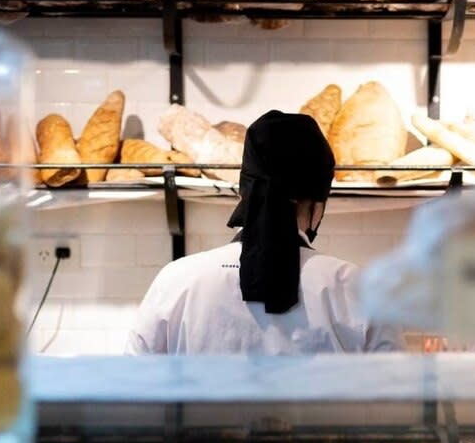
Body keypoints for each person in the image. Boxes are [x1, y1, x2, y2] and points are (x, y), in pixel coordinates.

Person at [126, 110, 400, 354]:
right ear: (318, 205)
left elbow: (129, 396)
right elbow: (398, 401)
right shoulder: (359, 290)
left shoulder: (176, 281)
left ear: (245, 193)